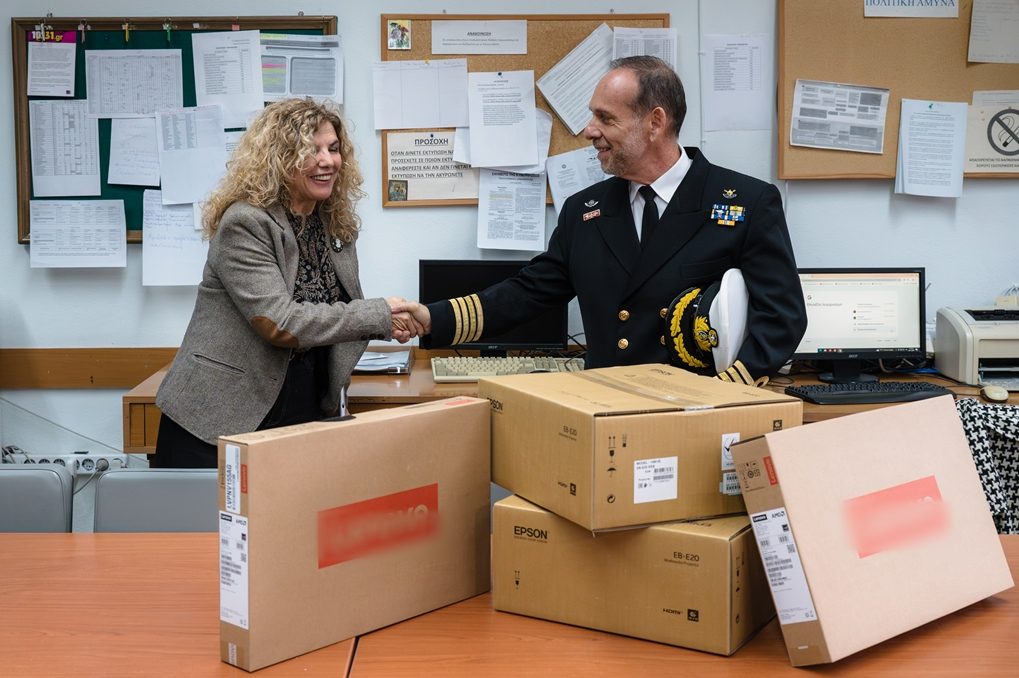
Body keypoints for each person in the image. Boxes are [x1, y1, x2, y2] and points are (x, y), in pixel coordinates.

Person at [397, 56, 806, 385]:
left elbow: (782, 319)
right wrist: (433, 317)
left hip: (693, 412)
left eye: (606, 119)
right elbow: (527, 293)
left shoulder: (746, 203)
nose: (589, 131)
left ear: (655, 122)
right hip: (605, 407)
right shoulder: (584, 211)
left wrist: (724, 393)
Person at [154, 98, 423, 469]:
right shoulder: (246, 223)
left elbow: (336, 311)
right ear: (279, 158)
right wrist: (380, 315)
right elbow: (280, 323)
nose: (327, 161)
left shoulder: (333, 224)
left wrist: (387, 319)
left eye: (333, 149)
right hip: (218, 419)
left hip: (301, 408)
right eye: (311, 151)